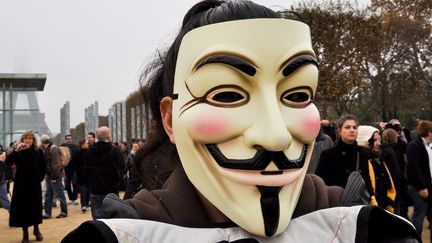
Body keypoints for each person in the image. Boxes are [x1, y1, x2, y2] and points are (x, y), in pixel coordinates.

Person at [62, 1, 419, 242]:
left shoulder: (365, 229)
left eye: (296, 96)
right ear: (170, 120)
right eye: (227, 95)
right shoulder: (125, 235)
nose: (275, 136)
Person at [6, 130, 46, 243]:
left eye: (30, 138)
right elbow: (8, 163)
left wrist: (39, 178)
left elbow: (43, 167)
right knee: (23, 209)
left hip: (34, 185)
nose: (28, 140)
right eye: (25, 138)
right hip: (21, 185)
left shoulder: (38, 152)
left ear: (33, 140)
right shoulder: (18, 152)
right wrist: (16, 150)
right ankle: (25, 234)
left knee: (35, 208)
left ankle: (36, 229)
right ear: (22, 140)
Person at [315, 115, 372, 192]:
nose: (352, 130)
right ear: (339, 131)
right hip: (336, 200)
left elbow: (367, 180)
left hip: (359, 201)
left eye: (354, 127)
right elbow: (320, 182)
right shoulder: (328, 155)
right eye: (347, 127)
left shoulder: (362, 153)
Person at [86, 126, 124, 219]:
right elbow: (122, 168)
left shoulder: (90, 151)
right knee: (113, 216)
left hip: (95, 189)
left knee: (97, 216)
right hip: (112, 188)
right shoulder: (115, 150)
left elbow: (86, 169)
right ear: (108, 136)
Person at [357, 125, 396, 212]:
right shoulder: (361, 162)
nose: (379, 143)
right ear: (364, 141)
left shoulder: (378, 160)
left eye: (379, 139)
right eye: (375, 140)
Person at [406, 120, 432, 240]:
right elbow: (413, 168)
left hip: (429, 186)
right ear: (429, 132)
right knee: (418, 217)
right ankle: (414, 241)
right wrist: (422, 187)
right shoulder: (414, 146)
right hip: (419, 188)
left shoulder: (428, 146)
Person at [40, 135, 68, 219]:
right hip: (49, 174)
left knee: (59, 193)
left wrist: (54, 177)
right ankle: (47, 213)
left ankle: (64, 211)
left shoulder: (53, 148)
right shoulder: (47, 149)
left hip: (55, 174)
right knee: (48, 194)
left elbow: (56, 164)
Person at [63, 134, 79, 205]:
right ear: (65, 140)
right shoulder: (62, 147)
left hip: (74, 168)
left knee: (75, 183)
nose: (69, 140)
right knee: (67, 185)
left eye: (70, 138)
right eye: (68, 139)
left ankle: (75, 198)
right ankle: (70, 198)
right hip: (66, 169)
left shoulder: (76, 147)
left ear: (72, 139)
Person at [75, 139, 90, 213]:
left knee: (88, 191)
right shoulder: (77, 153)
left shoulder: (90, 152)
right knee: (83, 191)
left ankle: (86, 204)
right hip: (81, 175)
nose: (88, 144)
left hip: (88, 174)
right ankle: (83, 205)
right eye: (86, 143)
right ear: (82, 144)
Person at [0, 146, 11, 212]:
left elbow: (5, 168)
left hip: (1, 181)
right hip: (2, 181)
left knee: (5, 202)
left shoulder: (2, 155)